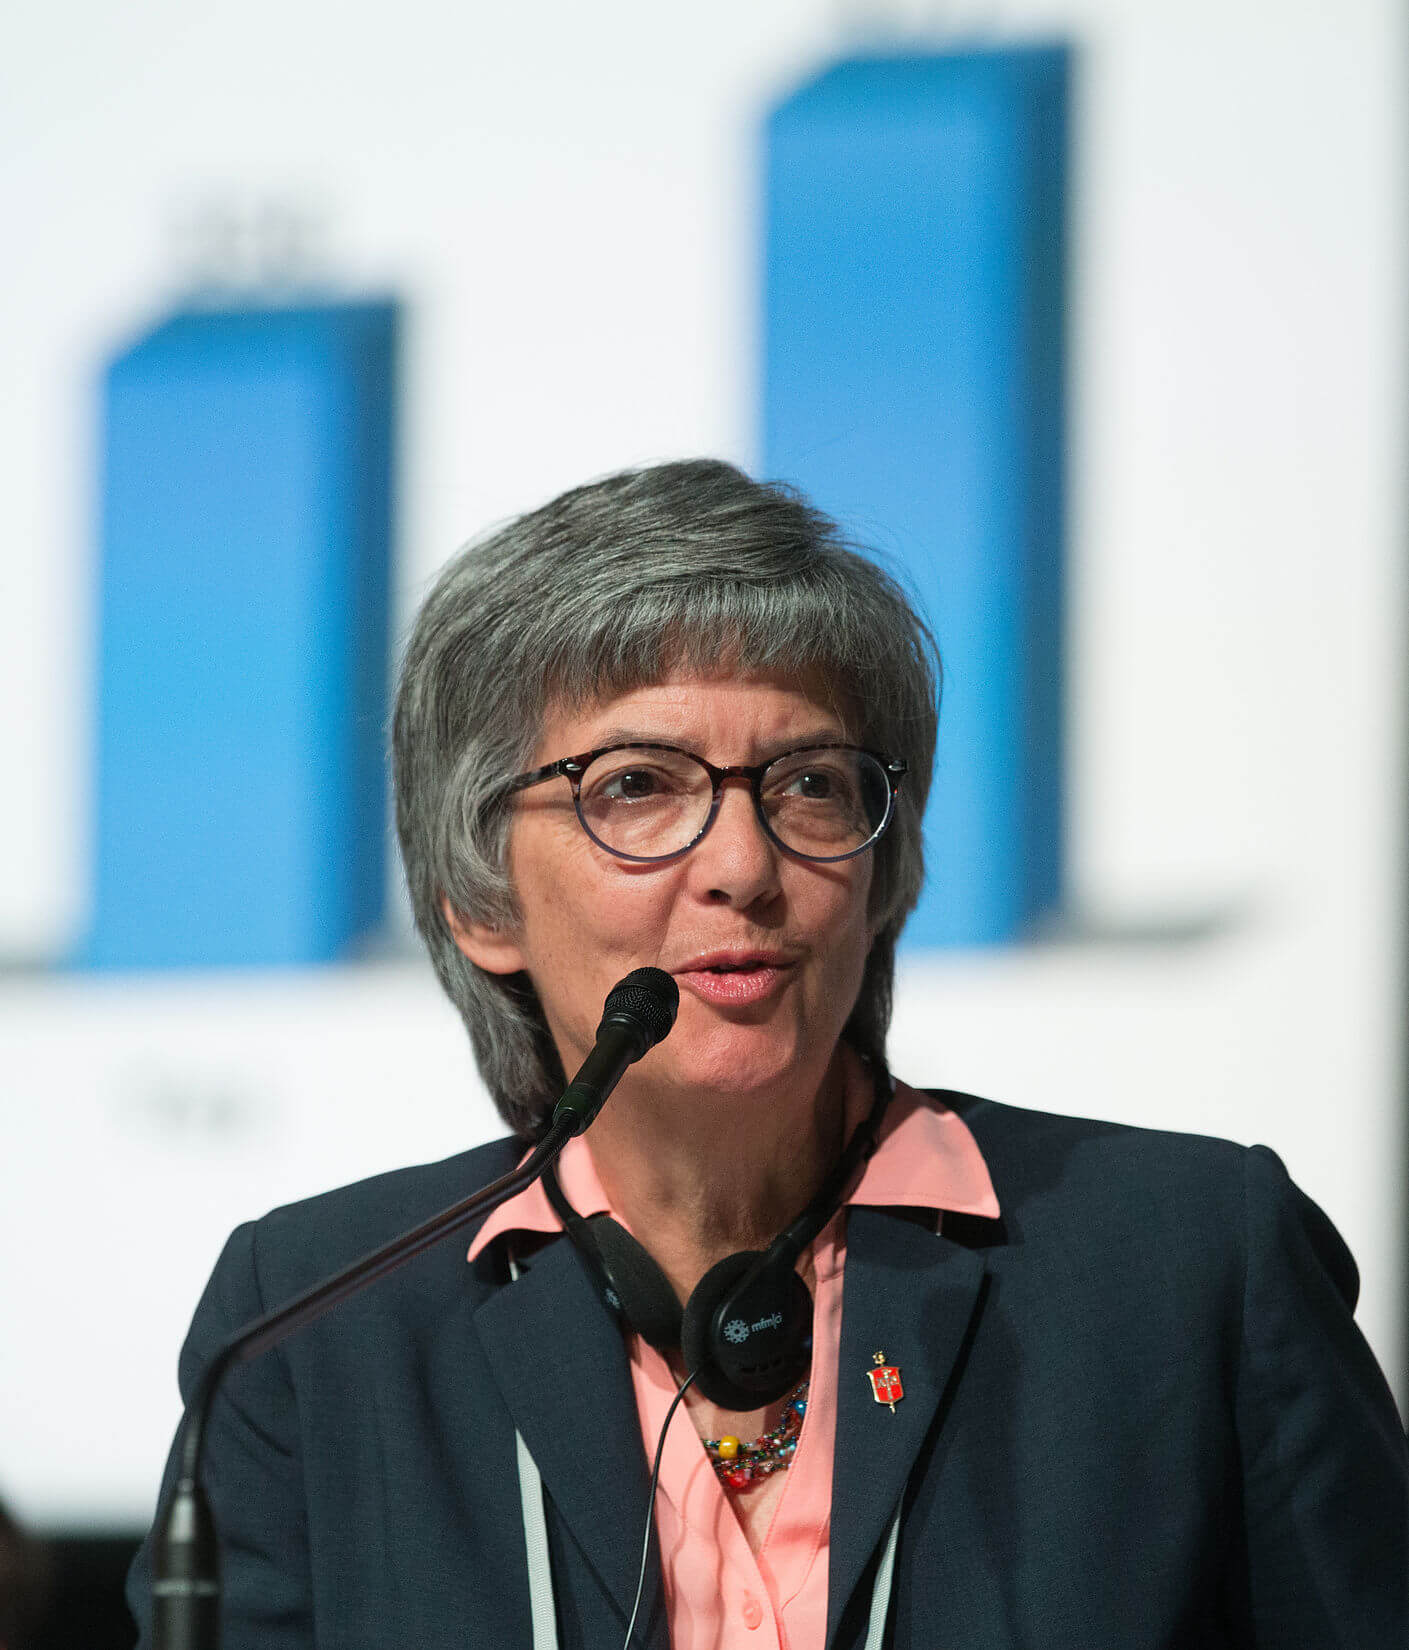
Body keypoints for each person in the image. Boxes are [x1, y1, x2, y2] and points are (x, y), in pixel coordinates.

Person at [129, 460, 1408, 1649]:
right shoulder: (312, 1323)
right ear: (482, 901)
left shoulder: (1185, 1265)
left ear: (885, 867)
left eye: (806, 785)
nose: (742, 868)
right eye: (632, 786)